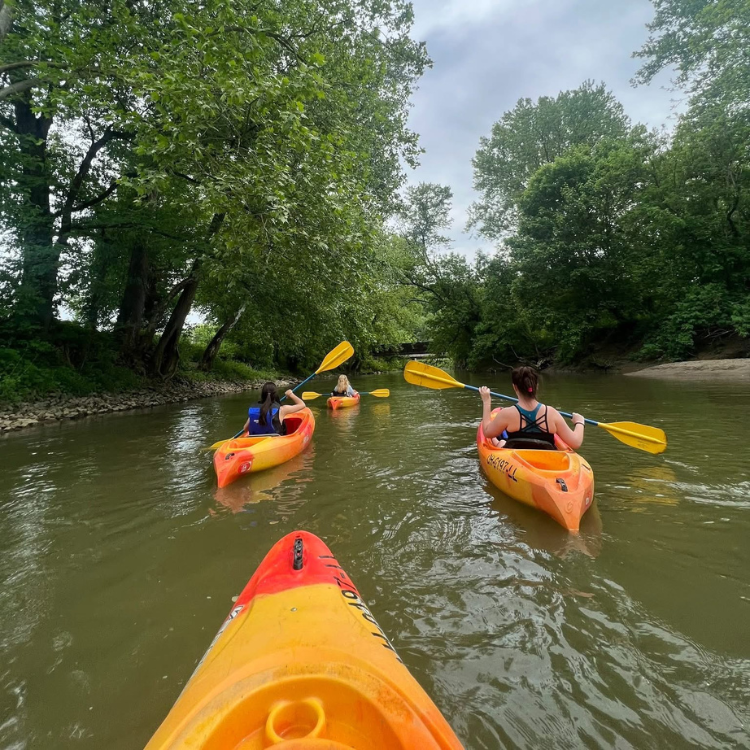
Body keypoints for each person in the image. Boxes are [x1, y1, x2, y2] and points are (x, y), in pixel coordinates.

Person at [479, 366, 586, 450]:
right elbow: (576, 442)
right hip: (545, 462)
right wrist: (579, 422)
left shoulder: (507, 413)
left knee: (502, 442)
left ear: (514, 387)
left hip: (518, 461)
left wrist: (486, 401)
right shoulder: (552, 413)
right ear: (537, 386)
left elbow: (487, 432)